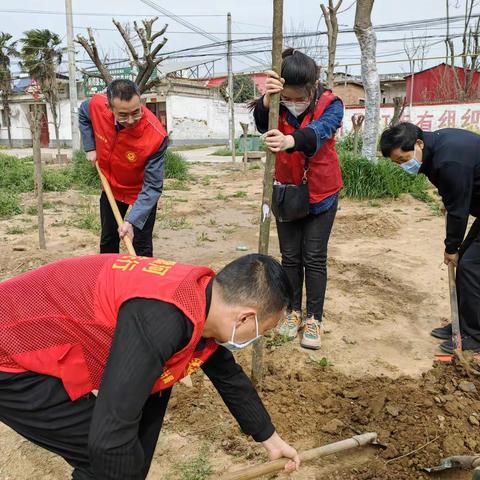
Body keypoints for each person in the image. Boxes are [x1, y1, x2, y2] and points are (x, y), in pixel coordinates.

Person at [0, 253, 300, 479]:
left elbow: (225, 371)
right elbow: (109, 436)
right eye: (263, 330)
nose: (259, 338)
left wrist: (269, 438)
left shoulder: (202, 297)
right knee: (111, 457)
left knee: (132, 450)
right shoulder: (161, 321)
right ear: (245, 318)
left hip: (40, 335)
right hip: (10, 354)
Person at [252, 48, 344, 350]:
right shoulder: (276, 102)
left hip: (321, 192)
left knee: (314, 256)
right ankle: (292, 312)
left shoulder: (332, 104)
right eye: (286, 98)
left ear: (312, 88)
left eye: (298, 98)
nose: (292, 104)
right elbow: (262, 123)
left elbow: (319, 132)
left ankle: (314, 317)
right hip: (287, 190)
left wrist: (290, 140)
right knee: (290, 257)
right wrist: (268, 100)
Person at [379, 122, 480, 353]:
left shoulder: (449, 159)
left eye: (403, 159)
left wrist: (451, 247)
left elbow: (458, 211)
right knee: (465, 262)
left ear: (418, 144)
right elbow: (454, 190)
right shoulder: (434, 150)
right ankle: (462, 323)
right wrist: (449, 199)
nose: (403, 166)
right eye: (397, 163)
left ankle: (474, 336)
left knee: (470, 266)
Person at [79, 79, 168, 257]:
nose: (130, 120)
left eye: (136, 112)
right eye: (122, 115)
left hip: (140, 193)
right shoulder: (97, 105)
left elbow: (153, 186)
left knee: (141, 246)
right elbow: (83, 113)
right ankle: (109, 280)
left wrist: (132, 220)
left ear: (140, 102)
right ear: (109, 108)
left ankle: (139, 283)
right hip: (111, 186)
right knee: (108, 241)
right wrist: (90, 147)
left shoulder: (155, 136)